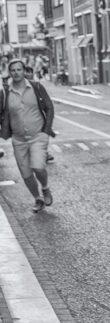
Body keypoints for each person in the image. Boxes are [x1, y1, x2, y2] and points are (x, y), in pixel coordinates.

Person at [0, 59, 55, 212]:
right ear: (9, 72)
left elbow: (49, 108)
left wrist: (46, 131)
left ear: (24, 71)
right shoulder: (5, 93)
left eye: (19, 69)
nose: (16, 73)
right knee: (26, 173)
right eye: (13, 70)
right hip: (18, 140)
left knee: (38, 167)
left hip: (38, 136)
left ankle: (45, 187)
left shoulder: (37, 87)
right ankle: (38, 199)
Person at [24, 66, 54, 163]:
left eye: (30, 73)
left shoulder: (38, 86)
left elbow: (48, 105)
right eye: (26, 73)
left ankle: (44, 153)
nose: (28, 75)